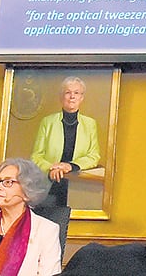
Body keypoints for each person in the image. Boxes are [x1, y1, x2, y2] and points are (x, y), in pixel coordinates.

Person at [31, 76, 101, 206]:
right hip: (49, 184)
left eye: (76, 93)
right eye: (68, 92)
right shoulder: (48, 122)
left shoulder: (90, 124)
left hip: (78, 186)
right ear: (61, 97)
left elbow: (94, 156)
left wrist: (70, 166)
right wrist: (51, 169)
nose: (72, 97)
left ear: (82, 98)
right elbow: (36, 156)